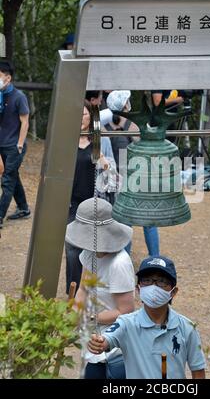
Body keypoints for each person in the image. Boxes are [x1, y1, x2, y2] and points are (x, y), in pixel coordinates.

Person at [87, 255, 206, 379]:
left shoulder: (187, 328)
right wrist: (99, 343)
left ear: (173, 292)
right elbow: (107, 338)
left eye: (161, 281)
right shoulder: (126, 323)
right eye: (147, 281)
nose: (153, 286)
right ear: (138, 289)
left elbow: (198, 371)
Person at [66, 197, 135, 379]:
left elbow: (126, 311)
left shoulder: (119, 264)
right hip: (92, 337)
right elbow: (83, 289)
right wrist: (73, 314)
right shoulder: (89, 252)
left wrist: (90, 317)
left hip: (113, 344)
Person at [64, 99, 116, 295]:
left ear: (92, 117)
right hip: (71, 204)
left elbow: (112, 175)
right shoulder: (66, 140)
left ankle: (92, 297)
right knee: (72, 252)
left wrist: (103, 161)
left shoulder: (102, 140)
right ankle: (72, 296)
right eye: (77, 114)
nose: (81, 118)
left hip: (94, 202)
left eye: (85, 114)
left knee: (95, 252)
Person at [106, 90, 160, 257]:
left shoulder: (104, 126)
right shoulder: (133, 125)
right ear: (125, 106)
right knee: (149, 223)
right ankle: (155, 259)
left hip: (117, 180)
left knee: (126, 223)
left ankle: (124, 262)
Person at [0, 60, 30, 230]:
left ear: (8, 78)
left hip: (14, 146)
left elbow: (25, 122)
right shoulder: (0, 95)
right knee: (13, 176)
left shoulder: (19, 97)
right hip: (2, 144)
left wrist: (19, 144)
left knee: (7, 180)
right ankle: (24, 208)